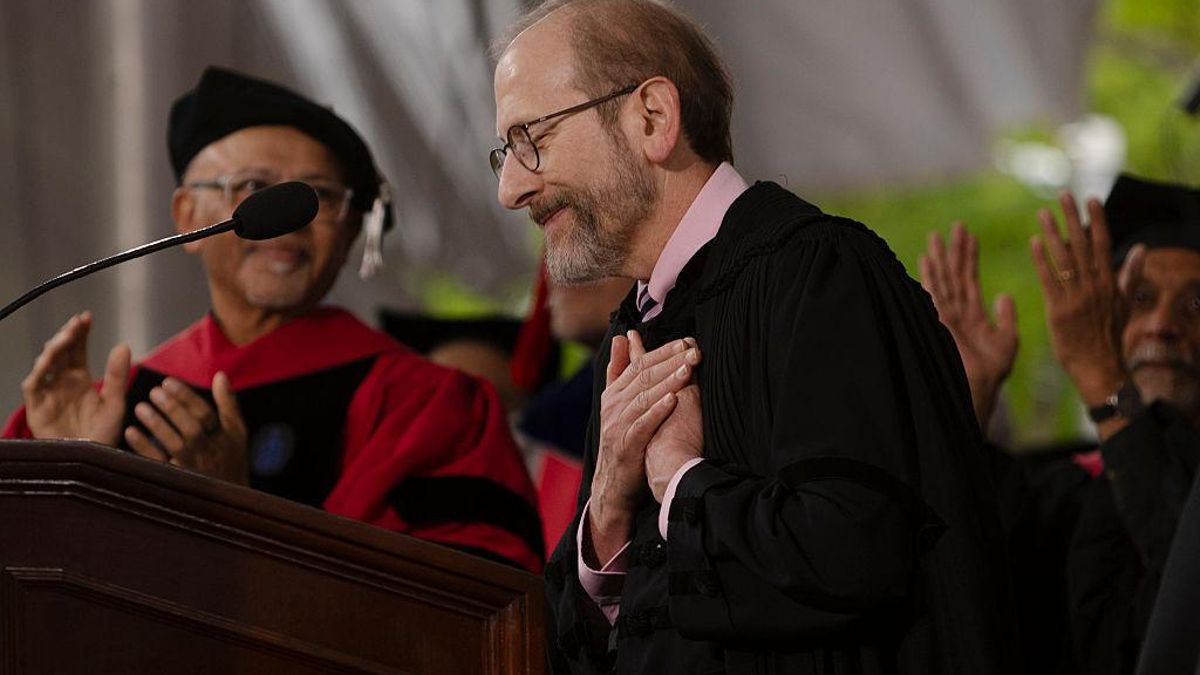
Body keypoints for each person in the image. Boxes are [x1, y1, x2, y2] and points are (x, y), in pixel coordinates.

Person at [490, 1, 1017, 672]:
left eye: (532, 136)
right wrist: (608, 506)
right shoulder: (627, 342)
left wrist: (682, 480)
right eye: (505, 151)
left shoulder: (821, 277)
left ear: (652, 117)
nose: (511, 187)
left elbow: (857, 556)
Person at [3, 66, 544, 574]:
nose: (287, 227)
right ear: (186, 215)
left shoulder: (429, 408)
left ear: (352, 230)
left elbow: (473, 622)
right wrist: (63, 474)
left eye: (319, 198)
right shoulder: (112, 407)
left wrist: (239, 513)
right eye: (254, 190)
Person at [1029, 175, 1200, 675]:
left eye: (1197, 305)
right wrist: (964, 400)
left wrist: (1107, 383)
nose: (1162, 325)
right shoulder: (1059, 484)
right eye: (1140, 299)